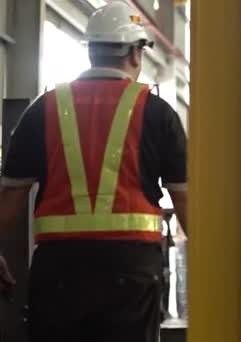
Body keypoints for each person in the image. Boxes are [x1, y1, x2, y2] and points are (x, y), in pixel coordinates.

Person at [0, 2, 187, 341]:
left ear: (91, 52)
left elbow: (8, 199)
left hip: (58, 271)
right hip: (131, 274)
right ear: (135, 52)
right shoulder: (158, 113)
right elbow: (187, 202)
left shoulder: (42, 110)